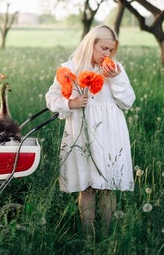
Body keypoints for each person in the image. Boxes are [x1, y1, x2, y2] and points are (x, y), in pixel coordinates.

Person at [45, 24, 135, 234]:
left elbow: (128, 102)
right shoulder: (70, 68)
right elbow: (52, 97)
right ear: (90, 44)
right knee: (86, 187)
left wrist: (115, 79)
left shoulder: (116, 69)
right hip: (82, 134)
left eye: (111, 50)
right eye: (103, 48)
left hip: (110, 133)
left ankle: (106, 235)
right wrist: (69, 104)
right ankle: (88, 236)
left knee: (106, 187)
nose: (107, 54)